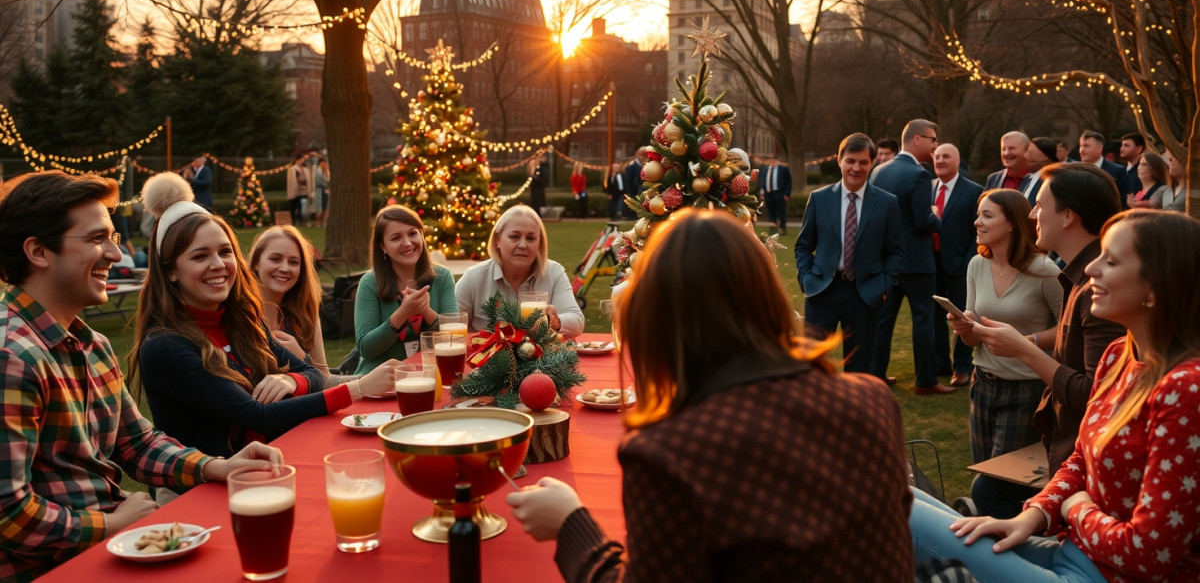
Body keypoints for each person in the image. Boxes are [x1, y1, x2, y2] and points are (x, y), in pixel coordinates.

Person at [507, 209, 915, 582]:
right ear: (767, 296)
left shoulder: (671, 453)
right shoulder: (873, 401)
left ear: (657, 319)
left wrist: (570, 524)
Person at [0, 171, 283, 582]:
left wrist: (215, 467)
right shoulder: (12, 356)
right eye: (98, 239)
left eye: (114, 238)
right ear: (39, 251)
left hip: (111, 547)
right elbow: (8, 512)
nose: (116, 255)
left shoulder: (90, 343)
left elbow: (135, 442)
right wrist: (110, 525)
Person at [912, 210, 1200, 582]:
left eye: (1110, 260)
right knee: (909, 498)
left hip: (1109, 574)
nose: (1092, 269)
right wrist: (1029, 518)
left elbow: (1149, 553)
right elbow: (1081, 458)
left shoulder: (1186, 389)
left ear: (1157, 285)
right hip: (1075, 552)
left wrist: (1075, 508)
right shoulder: (1118, 355)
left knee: (902, 513)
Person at [127, 173, 396, 458]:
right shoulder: (166, 345)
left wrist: (292, 380)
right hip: (205, 489)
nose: (218, 264)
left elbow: (312, 374)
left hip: (266, 464)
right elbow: (259, 416)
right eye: (199, 256)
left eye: (225, 252)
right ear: (170, 270)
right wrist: (358, 388)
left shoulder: (240, 321)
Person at [965, 164, 1123, 489]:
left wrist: (1024, 347)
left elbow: (1097, 394)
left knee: (989, 492)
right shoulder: (1077, 277)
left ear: (1068, 217)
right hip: (1069, 448)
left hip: (1086, 455)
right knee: (987, 486)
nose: (1033, 214)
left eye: (1039, 205)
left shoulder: (1098, 286)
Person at [948, 189, 1063, 518]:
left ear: (1012, 223)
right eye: (978, 214)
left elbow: (1068, 329)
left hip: (1025, 389)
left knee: (999, 485)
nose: (977, 221)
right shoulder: (976, 264)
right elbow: (973, 339)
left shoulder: (1045, 271)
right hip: (981, 385)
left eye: (987, 215)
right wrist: (965, 325)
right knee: (985, 476)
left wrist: (1025, 341)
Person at [795, 133, 903, 373]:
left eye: (863, 162)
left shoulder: (887, 203)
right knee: (812, 367)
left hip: (865, 295)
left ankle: (854, 410)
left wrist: (884, 284)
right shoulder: (819, 199)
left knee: (860, 369)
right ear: (839, 160)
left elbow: (896, 252)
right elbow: (803, 245)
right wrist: (806, 277)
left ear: (872, 163)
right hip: (822, 290)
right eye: (851, 161)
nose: (856, 168)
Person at [868, 119, 951, 394]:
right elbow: (921, 221)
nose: (935, 145)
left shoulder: (878, 171)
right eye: (933, 139)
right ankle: (925, 381)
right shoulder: (919, 174)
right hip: (916, 261)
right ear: (917, 139)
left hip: (886, 261)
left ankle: (876, 374)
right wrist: (936, 217)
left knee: (883, 320)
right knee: (923, 319)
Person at [354, 205, 457, 374]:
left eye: (412, 233)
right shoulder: (370, 282)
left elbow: (453, 337)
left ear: (422, 235)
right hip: (381, 384)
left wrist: (426, 311)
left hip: (433, 378)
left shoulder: (442, 277)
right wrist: (403, 313)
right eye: (396, 238)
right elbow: (366, 349)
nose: (407, 243)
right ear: (382, 246)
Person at [456, 205, 583, 338]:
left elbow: (577, 322)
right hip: (488, 358)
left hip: (541, 358)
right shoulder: (474, 277)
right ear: (497, 239)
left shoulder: (554, 273)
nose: (523, 245)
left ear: (539, 244)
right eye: (514, 237)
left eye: (531, 238)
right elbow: (450, 322)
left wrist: (554, 320)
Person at [931, 143, 984, 387]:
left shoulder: (974, 191)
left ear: (957, 159)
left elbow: (980, 228)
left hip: (962, 266)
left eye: (946, 156)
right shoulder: (928, 188)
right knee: (934, 317)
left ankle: (962, 368)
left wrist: (970, 260)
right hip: (931, 265)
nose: (940, 160)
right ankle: (941, 362)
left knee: (962, 317)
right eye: (937, 156)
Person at [249, 225, 333, 375]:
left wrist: (302, 358)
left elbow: (325, 378)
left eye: (293, 262)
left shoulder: (305, 310)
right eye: (275, 259)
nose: (284, 268)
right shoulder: (239, 311)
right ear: (256, 262)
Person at [1078, 130, 1129, 206]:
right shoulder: (1074, 170)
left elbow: (1122, 202)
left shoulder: (1117, 171)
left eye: (1086, 146)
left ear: (1099, 148)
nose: (1081, 150)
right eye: (1080, 146)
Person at [760, 158, 793, 234]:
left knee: (781, 213)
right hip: (768, 194)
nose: (772, 162)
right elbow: (762, 182)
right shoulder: (765, 169)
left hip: (780, 194)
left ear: (777, 161)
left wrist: (786, 194)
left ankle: (782, 229)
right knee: (771, 213)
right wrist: (762, 193)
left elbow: (789, 182)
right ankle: (773, 229)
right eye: (770, 160)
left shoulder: (783, 169)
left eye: (773, 160)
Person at [1022, 136, 1058, 205]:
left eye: (1030, 153)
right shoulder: (1027, 178)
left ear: (1045, 157)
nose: (1025, 156)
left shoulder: (1051, 180)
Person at [285, 151, 310, 225]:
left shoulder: (304, 169)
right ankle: (293, 220)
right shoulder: (292, 169)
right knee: (293, 206)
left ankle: (301, 220)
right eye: (301, 159)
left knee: (301, 206)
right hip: (295, 191)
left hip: (303, 191)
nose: (302, 161)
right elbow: (290, 181)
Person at [621, 147, 647, 219]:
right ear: (637, 155)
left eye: (645, 155)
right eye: (642, 155)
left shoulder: (647, 166)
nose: (644, 157)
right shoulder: (630, 168)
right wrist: (629, 194)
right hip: (634, 193)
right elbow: (628, 182)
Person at [312, 155, 330, 227]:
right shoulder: (318, 171)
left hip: (326, 191)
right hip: (320, 190)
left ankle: (324, 222)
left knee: (326, 207)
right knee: (320, 208)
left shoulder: (327, 172)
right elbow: (318, 181)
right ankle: (318, 222)